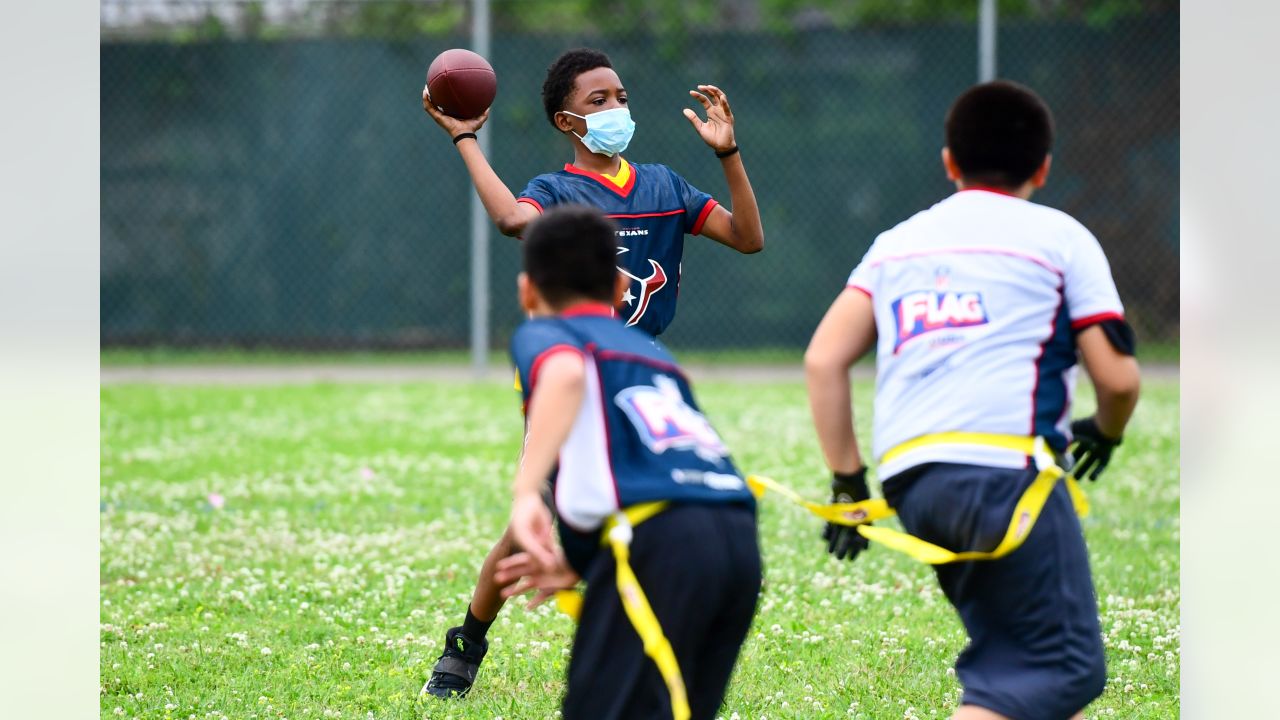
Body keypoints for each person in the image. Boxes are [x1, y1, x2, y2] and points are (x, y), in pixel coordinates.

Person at [420, 47, 765, 698]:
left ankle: (635, 628)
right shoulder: (556, 192)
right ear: (566, 122)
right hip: (570, 368)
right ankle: (467, 643)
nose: (616, 109)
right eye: (598, 101)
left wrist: (729, 153)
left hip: (639, 376)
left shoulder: (663, 186)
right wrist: (466, 139)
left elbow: (747, 237)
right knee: (544, 513)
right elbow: (510, 218)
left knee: (647, 504)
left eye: (622, 97)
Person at [803, 80, 1141, 720]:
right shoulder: (1061, 237)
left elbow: (824, 359)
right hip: (1004, 477)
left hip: (914, 484)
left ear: (950, 163)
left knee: (1023, 660)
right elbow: (1119, 380)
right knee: (1062, 667)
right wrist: (1106, 429)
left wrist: (848, 483)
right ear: (1043, 167)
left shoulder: (896, 243)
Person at [490, 204, 761, 719]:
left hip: (664, 543)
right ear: (620, 291)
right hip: (737, 539)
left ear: (528, 292)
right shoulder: (655, 355)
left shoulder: (548, 332)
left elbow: (567, 375)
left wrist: (527, 492)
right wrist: (583, 560)